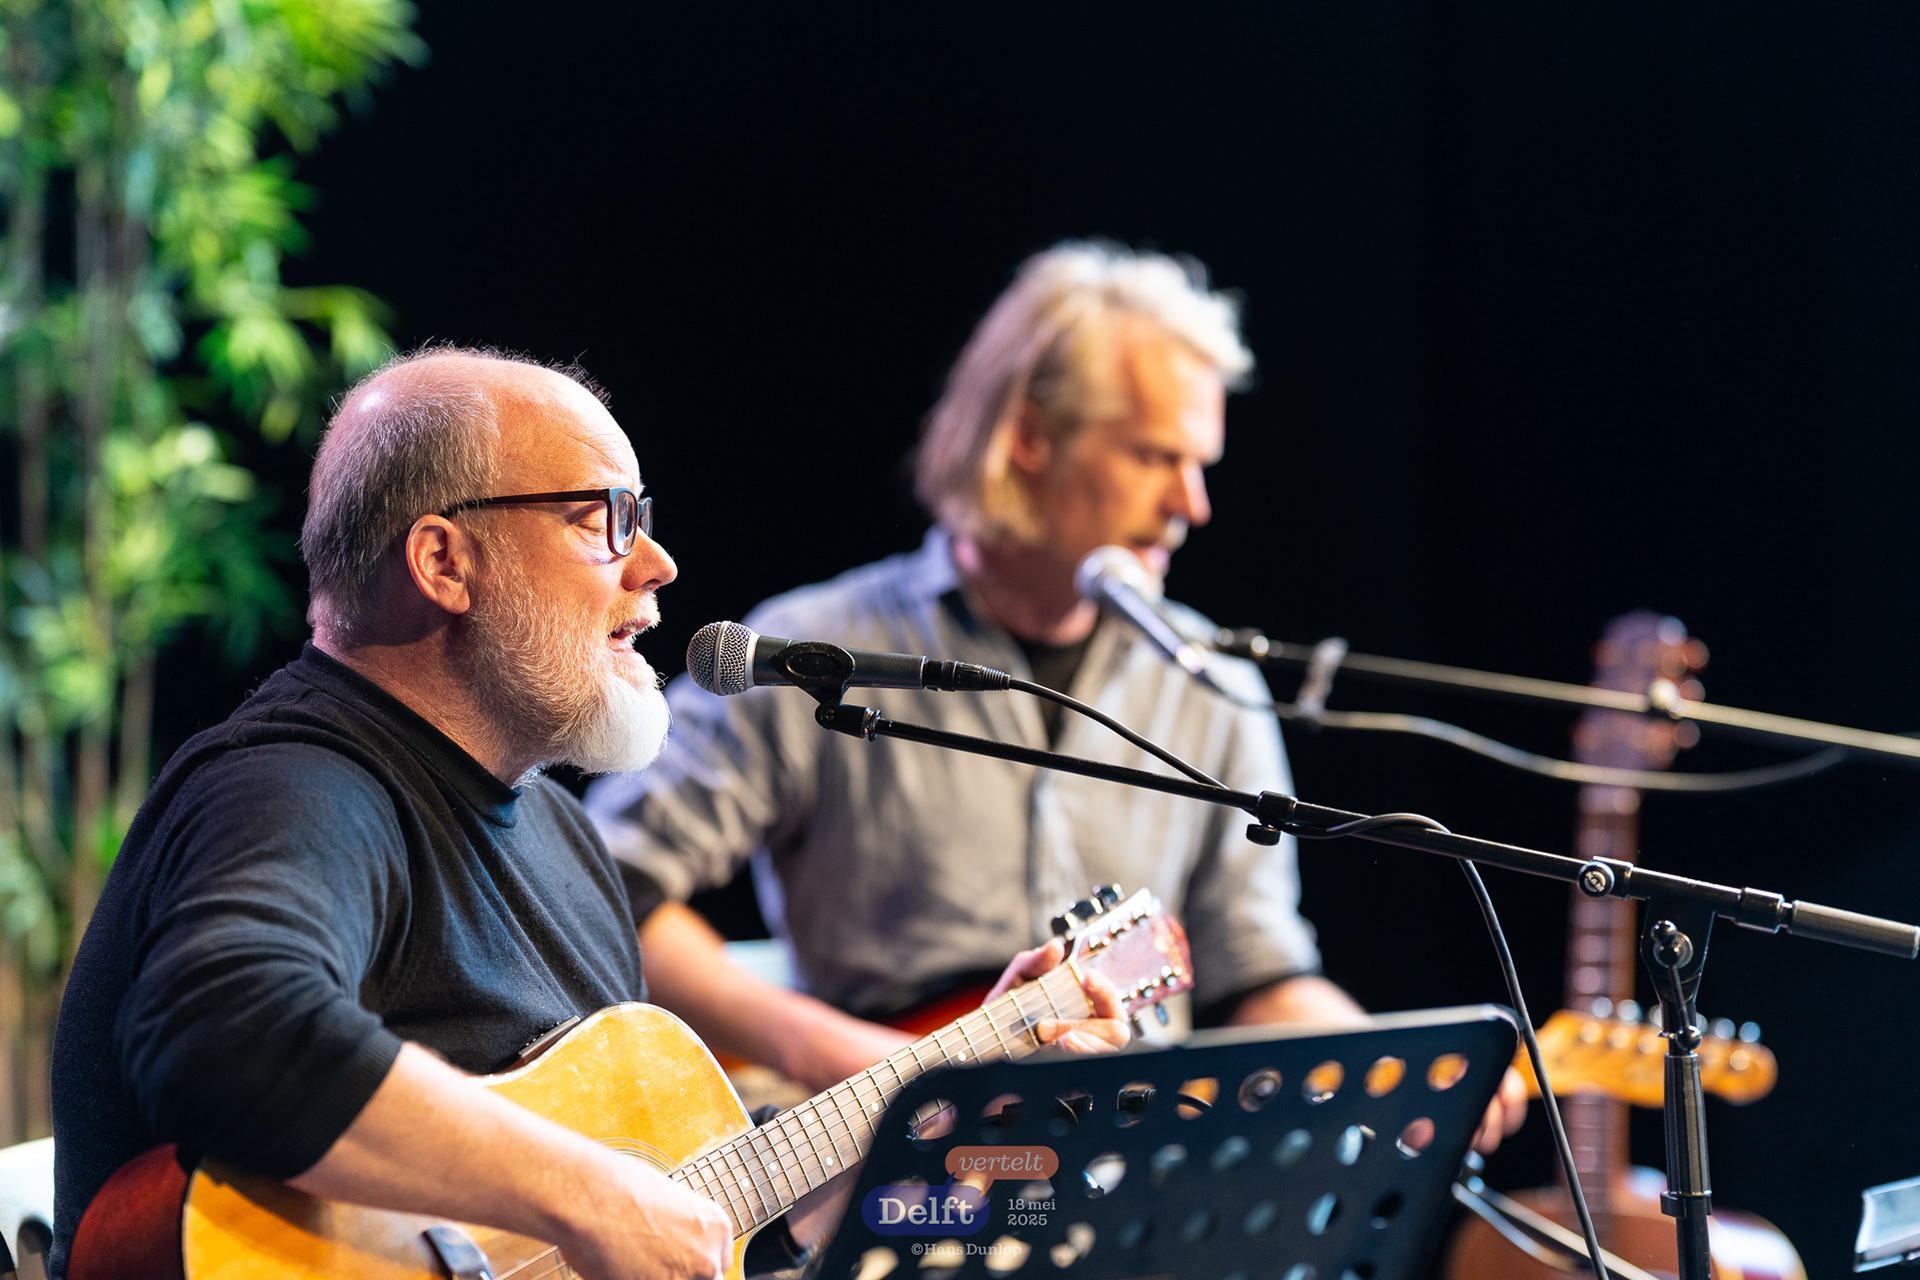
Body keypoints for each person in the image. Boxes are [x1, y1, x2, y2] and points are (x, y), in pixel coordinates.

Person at [47, 349, 1129, 1280]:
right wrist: (586, 1192)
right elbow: (230, 1030)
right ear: (444, 561)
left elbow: (695, 1229)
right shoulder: (298, 783)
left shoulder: (564, 840)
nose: (656, 564)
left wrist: (959, 1104)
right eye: (603, 518)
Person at [586, 242, 1527, 1153]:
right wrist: (849, 1063)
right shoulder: (813, 649)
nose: (1192, 504)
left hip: (1135, 1171)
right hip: (895, 1169)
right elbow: (605, 890)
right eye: (1154, 456)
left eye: (1200, 463)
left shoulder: (1211, 684)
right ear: (1031, 437)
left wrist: (1395, 1071)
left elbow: (1256, 976)